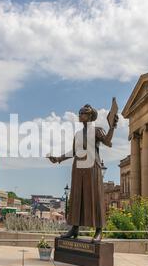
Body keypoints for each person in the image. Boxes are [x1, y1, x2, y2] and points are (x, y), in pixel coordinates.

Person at [49, 104, 118, 243]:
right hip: (78, 168)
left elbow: (108, 142)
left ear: (90, 116)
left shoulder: (97, 131)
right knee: (76, 197)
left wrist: (112, 127)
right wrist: (58, 159)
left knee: (95, 196)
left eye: (82, 113)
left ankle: (99, 230)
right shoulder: (78, 134)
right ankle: (74, 228)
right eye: (79, 113)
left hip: (92, 167)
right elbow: (74, 151)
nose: (80, 115)